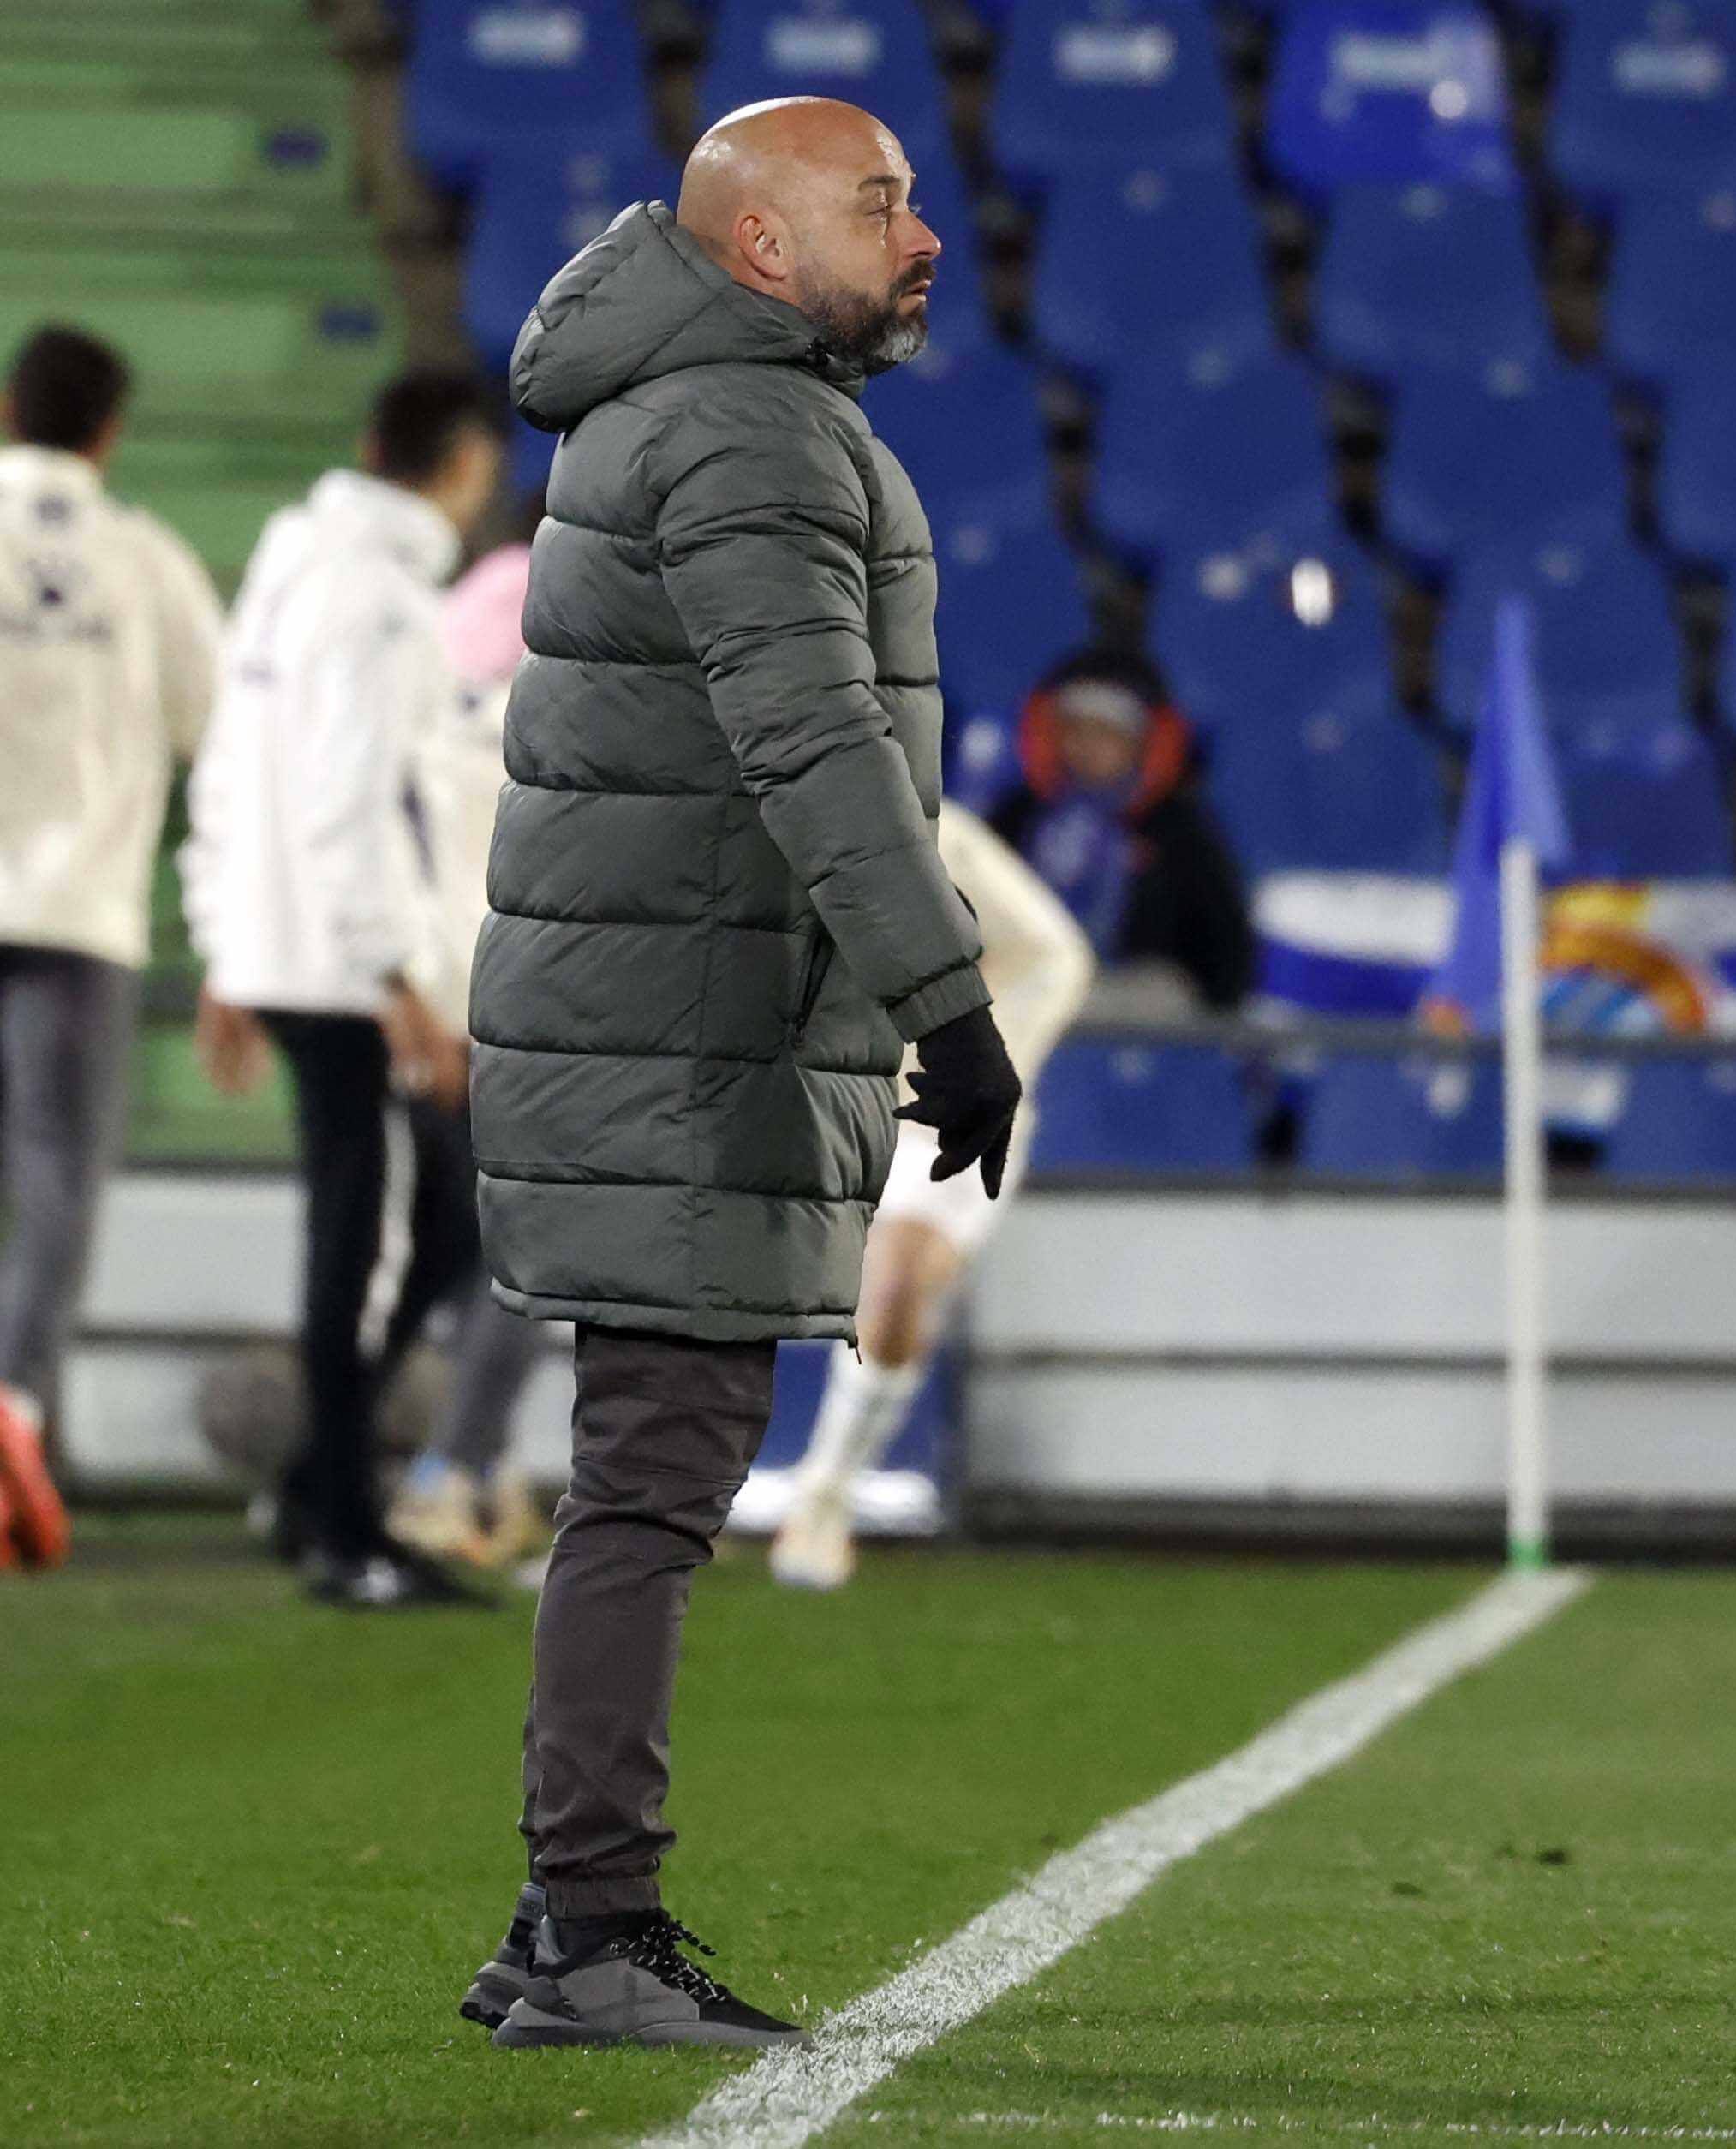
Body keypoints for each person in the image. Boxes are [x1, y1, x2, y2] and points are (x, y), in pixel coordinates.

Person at [460, 96, 1017, 2050]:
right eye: (882, 203)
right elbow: (817, 744)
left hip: (662, 1027)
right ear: (764, 246)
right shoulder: (746, 428)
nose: (922, 233)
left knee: (647, 1477)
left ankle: (562, 1922)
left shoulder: (682, 409)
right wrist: (945, 999)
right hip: (681, 1052)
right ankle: (590, 1928)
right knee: (655, 1485)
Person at [182, 368, 505, 1610]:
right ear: (464, 464)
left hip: (291, 948)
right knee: (377, 1249)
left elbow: (233, 768)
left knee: (418, 1231)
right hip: (346, 967)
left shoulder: (288, 568)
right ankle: (343, 1529)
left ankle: (326, 1492)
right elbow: (346, 798)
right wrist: (398, 982)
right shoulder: (376, 600)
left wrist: (226, 942)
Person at [0, 326, 224, 1573]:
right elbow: (224, 735)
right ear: (109, 431)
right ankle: (18, 1418)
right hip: (80, 924)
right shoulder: (145, 562)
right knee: (53, 1192)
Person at [771, 800, 1090, 1590]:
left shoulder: (927, 831)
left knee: (897, 1283)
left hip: (927, 1102)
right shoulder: (691, 815)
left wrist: (972, 1064)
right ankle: (637, 1499)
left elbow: (1054, 956)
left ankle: (827, 1491)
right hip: (792, 1089)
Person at [382, 543, 553, 1576]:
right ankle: (447, 1471)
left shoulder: (428, 724)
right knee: (519, 1264)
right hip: (526, 1017)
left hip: (428, 1017)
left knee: (442, 1260)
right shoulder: (564, 727)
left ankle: (459, 1472)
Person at [968, 648, 1256, 1016]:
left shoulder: (1179, 831)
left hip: (1129, 1006)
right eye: (1075, 730)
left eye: (1107, 733)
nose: (1088, 747)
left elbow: (1223, 958)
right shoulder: (1018, 816)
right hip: (1024, 984)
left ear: (1143, 742)